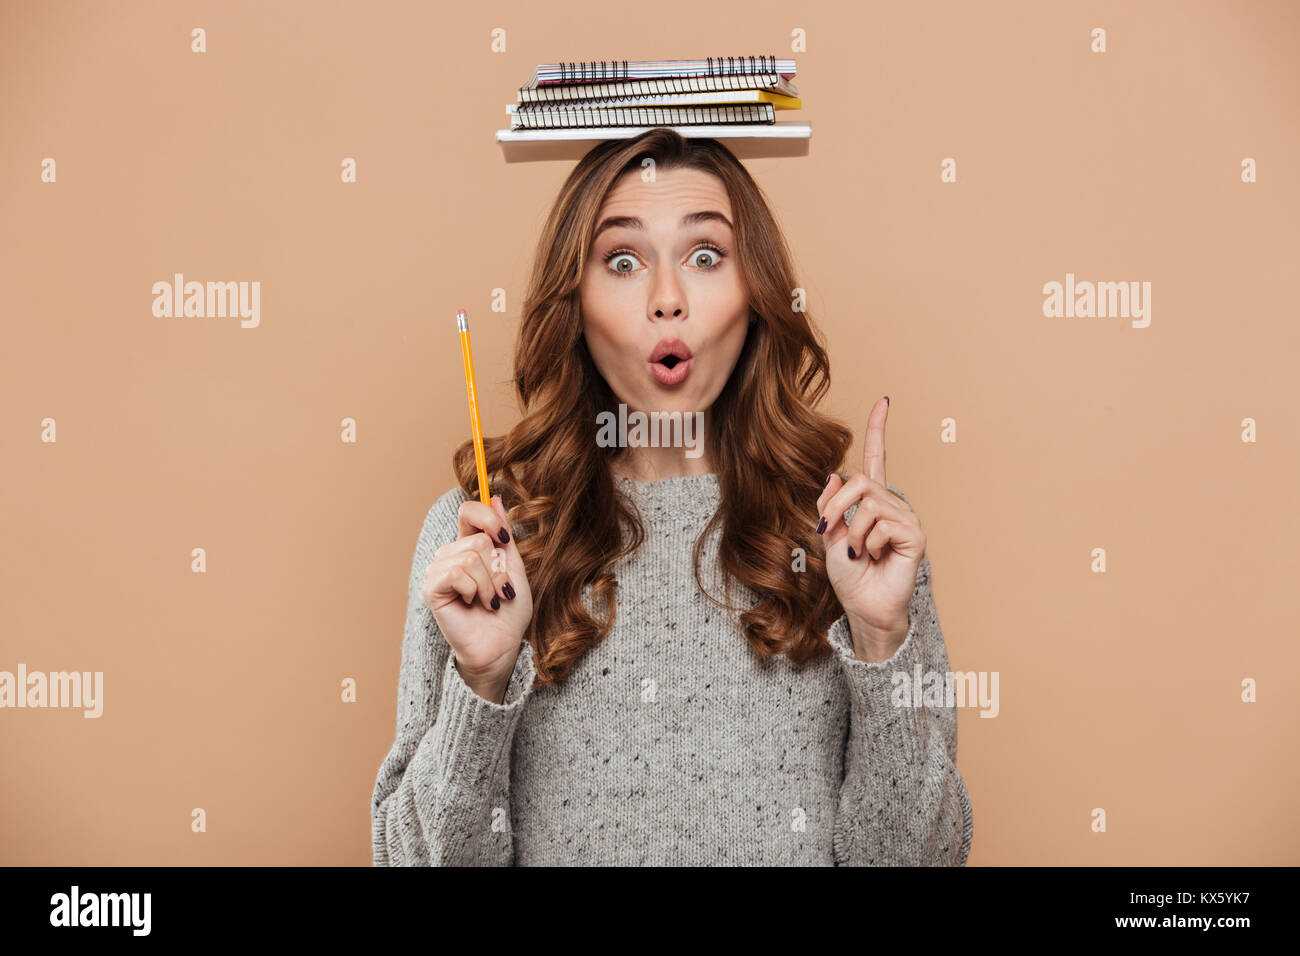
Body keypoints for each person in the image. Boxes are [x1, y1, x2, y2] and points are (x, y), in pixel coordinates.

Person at [371, 128, 973, 865]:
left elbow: (922, 858)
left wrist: (881, 639)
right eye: (622, 261)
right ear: (576, 303)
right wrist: (483, 682)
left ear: (756, 296)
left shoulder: (855, 536)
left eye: (706, 256)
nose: (667, 299)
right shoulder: (485, 543)